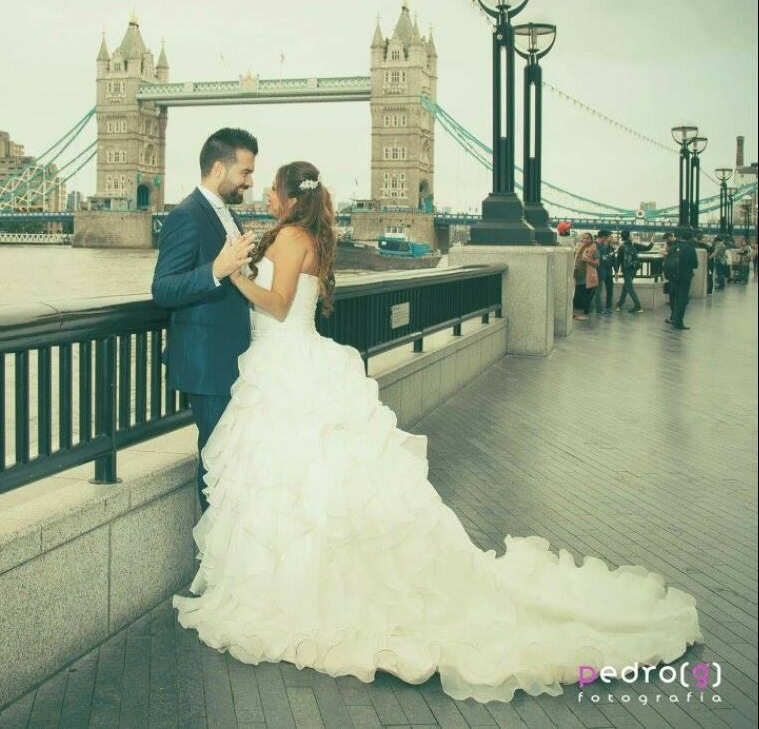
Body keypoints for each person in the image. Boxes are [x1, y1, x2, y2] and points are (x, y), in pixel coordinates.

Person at [172, 162, 702, 704]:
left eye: (271, 186)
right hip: (293, 362)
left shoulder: (288, 238)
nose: (264, 191)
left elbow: (279, 304)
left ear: (288, 196)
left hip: (283, 364)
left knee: (293, 485)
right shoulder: (309, 236)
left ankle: (291, 589)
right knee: (310, 485)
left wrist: (232, 274)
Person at [151, 128, 258, 512]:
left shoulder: (230, 215)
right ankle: (211, 546)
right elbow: (163, 289)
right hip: (207, 364)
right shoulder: (185, 216)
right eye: (245, 172)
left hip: (236, 360)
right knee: (216, 463)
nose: (250, 181)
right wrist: (216, 270)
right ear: (218, 168)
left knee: (234, 461)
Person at [614, 230, 653, 313]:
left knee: (628, 287)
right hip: (634, 269)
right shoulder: (635, 245)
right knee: (627, 287)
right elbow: (648, 248)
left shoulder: (621, 247)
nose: (632, 237)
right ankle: (620, 305)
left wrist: (616, 272)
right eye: (631, 235)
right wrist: (652, 242)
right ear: (629, 237)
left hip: (626, 270)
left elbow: (618, 261)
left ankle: (637, 306)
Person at [668, 228, 699, 330]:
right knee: (682, 299)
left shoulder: (673, 247)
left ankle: (673, 317)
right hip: (685, 276)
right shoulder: (690, 248)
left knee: (674, 297)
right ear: (690, 237)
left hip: (673, 276)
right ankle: (678, 322)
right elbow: (695, 265)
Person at [572, 232, 599, 320]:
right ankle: (577, 313)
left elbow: (597, 264)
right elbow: (574, 259)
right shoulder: (578, 248)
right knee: (577, 297)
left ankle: (585, 314)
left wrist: (588, 260)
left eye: (587, 238)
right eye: (584, 238)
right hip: (578, 276)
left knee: (586, 297)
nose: (585, 240)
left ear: (591, 240)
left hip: (588, 277)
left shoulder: (594, 250)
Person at [593, 230, 614, 314]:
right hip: (599, 271)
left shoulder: (595, 245)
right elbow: (604, 259)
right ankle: (599, 309)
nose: (608, 239)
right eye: (607, 237)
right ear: (604, 237)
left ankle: (594, 308)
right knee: (598, 291)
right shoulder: (600, 247)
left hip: (596, 270)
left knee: (595, 291)